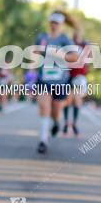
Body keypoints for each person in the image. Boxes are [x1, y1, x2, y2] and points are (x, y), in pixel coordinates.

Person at [33, 10, 79, 155]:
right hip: (43, 80)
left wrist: (59, 55)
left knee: (55, 111)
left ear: (61, 25)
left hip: (60, 81)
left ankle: (56, 122)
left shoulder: (64, 39)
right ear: (49, 23)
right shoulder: (41, 37)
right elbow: (34, 54)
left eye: (57, 23)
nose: (54, 25)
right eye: (52, 22)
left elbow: (75, 57)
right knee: (43, 108)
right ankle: (43, 141)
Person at [62, 14, 89, 136]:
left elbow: (88, 59)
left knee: (77, 99)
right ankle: (66, 124)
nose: (76, 35)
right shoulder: (68, 45)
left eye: (79, 33)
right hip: (68, 75)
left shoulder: (85, 46)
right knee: (67, 101)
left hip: (79, 76)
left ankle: (74, 124)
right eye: (75, 33)